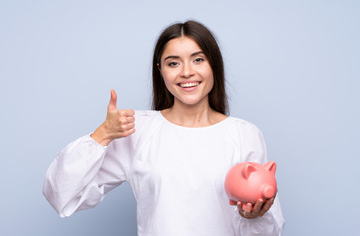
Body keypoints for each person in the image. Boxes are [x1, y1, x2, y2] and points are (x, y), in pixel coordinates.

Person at [43, 20, 285, 235]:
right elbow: (62, 195)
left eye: (198, 59)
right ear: (160, 70)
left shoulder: (244, 134)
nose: (187, 72)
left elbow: (269, 230)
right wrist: (101, 135)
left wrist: (255, 216)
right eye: (173, 63)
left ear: (214, 65)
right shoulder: (137, 130)